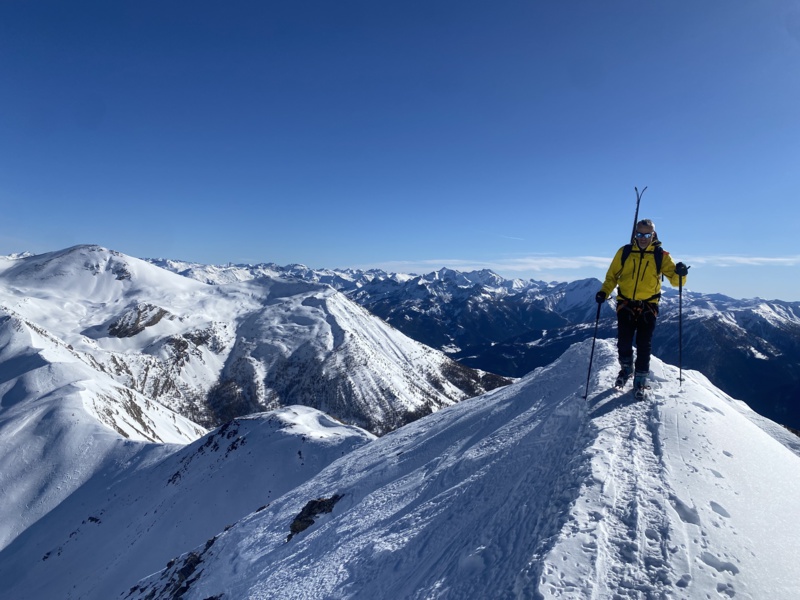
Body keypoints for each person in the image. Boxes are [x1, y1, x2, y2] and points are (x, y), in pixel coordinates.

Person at [595, 219, 688, 397]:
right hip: (625, 303)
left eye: (647, 234)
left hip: (649, 305)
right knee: (624, 340)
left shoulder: (661, 255)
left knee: (644, 344)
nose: (643, 238)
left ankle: (640, 377)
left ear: (653, 234)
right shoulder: (625, 252)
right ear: (635, 234)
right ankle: (627, 369)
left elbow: (676, 282)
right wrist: (604, 292)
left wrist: (681, 274)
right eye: (639, 234)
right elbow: (611, 276)